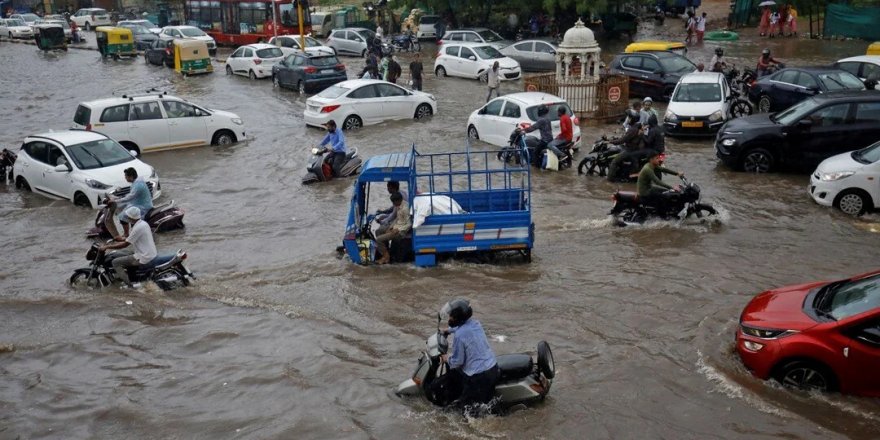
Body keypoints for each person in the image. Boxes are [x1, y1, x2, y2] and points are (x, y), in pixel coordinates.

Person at [440, 298, 499, 416]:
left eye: (451, 316)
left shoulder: (460, 336)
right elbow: (462, 327)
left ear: (458, 318)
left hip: (478, 377)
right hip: (492, 368)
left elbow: (458, 361)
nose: (449, 318)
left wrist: (446, 358)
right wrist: (447, 331)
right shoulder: (475, 323)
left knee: (467, 411)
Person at [99, 206, 157, 288]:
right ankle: (132, 277)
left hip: (144, 256)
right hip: (150, 253)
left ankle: (129, 285)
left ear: (131, 217)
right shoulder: (143, 224)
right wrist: (121, 239)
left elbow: (125, 245)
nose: (126, 218)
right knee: (126, 255)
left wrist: (107, 247)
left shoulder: (137, 228)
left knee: (115, 262)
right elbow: (132, 238)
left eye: (128, 216)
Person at [105, 167, 153, 239]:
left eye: (126, 176)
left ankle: (126, 234)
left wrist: (115, 200)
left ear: (130, 176)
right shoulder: (137, 182)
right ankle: (131, 231)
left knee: (122, 217)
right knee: (125, 210)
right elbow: (131, 194)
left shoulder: (138, 185)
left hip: (143, 206)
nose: (125, 178)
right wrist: (117, 197)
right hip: (138, 203)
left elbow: (130, 197)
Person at [375, 191, 411, 264]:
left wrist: (397, 229)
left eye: (394, 202)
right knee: (378, 231)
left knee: (378, 239)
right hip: (396, 227)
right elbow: (397, 219)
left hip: (400, 232)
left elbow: (409, 224)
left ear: (398, 200)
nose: (393, 204)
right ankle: (385, 251)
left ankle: (386, 257)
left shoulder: (405, 209)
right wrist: (391, 227)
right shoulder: (399, 206)